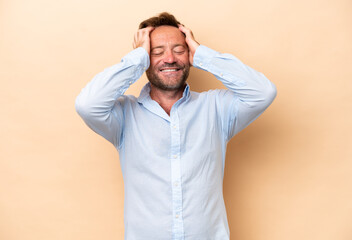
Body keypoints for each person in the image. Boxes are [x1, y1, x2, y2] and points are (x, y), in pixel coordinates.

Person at [75, 12, 276, 240]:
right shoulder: (123, 116)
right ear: (144, 59)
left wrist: (202, 55)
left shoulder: (216, 108)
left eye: (179, 50)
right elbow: (87, 104)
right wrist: (136, 58)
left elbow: (263, 92)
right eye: (156, 52)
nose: (169, 58)